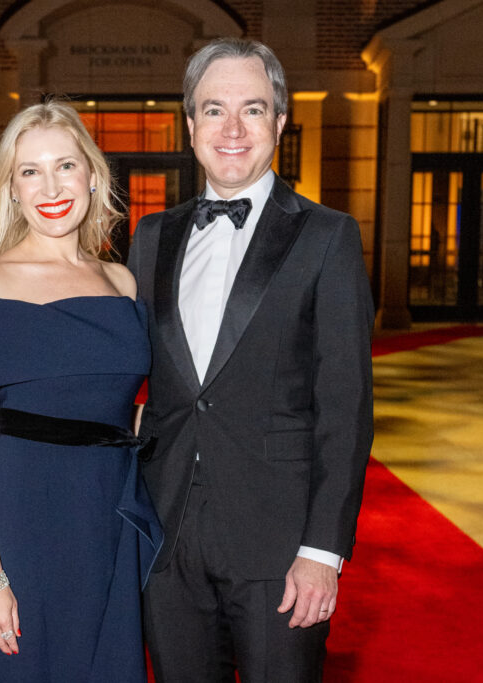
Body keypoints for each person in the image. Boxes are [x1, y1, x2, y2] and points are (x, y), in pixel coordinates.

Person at [127, 38, 374, 681]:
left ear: (280, 123)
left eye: (253, 109)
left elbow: (344, 409)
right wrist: (20, 416)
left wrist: (323, 550)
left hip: (281, 543)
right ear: (190, 126)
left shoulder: (327, 236)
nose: (232, 128)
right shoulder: (151, 237)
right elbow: (123, 370)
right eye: (213, 110)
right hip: (167, 533)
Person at [0, 100, 161, 682]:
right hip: (26, 511)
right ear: (10, 189)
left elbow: (119, 401)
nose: (51, 186)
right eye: (30, 171)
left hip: (109, 507)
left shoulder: (120, 281)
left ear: (93, 175)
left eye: (65, 166)